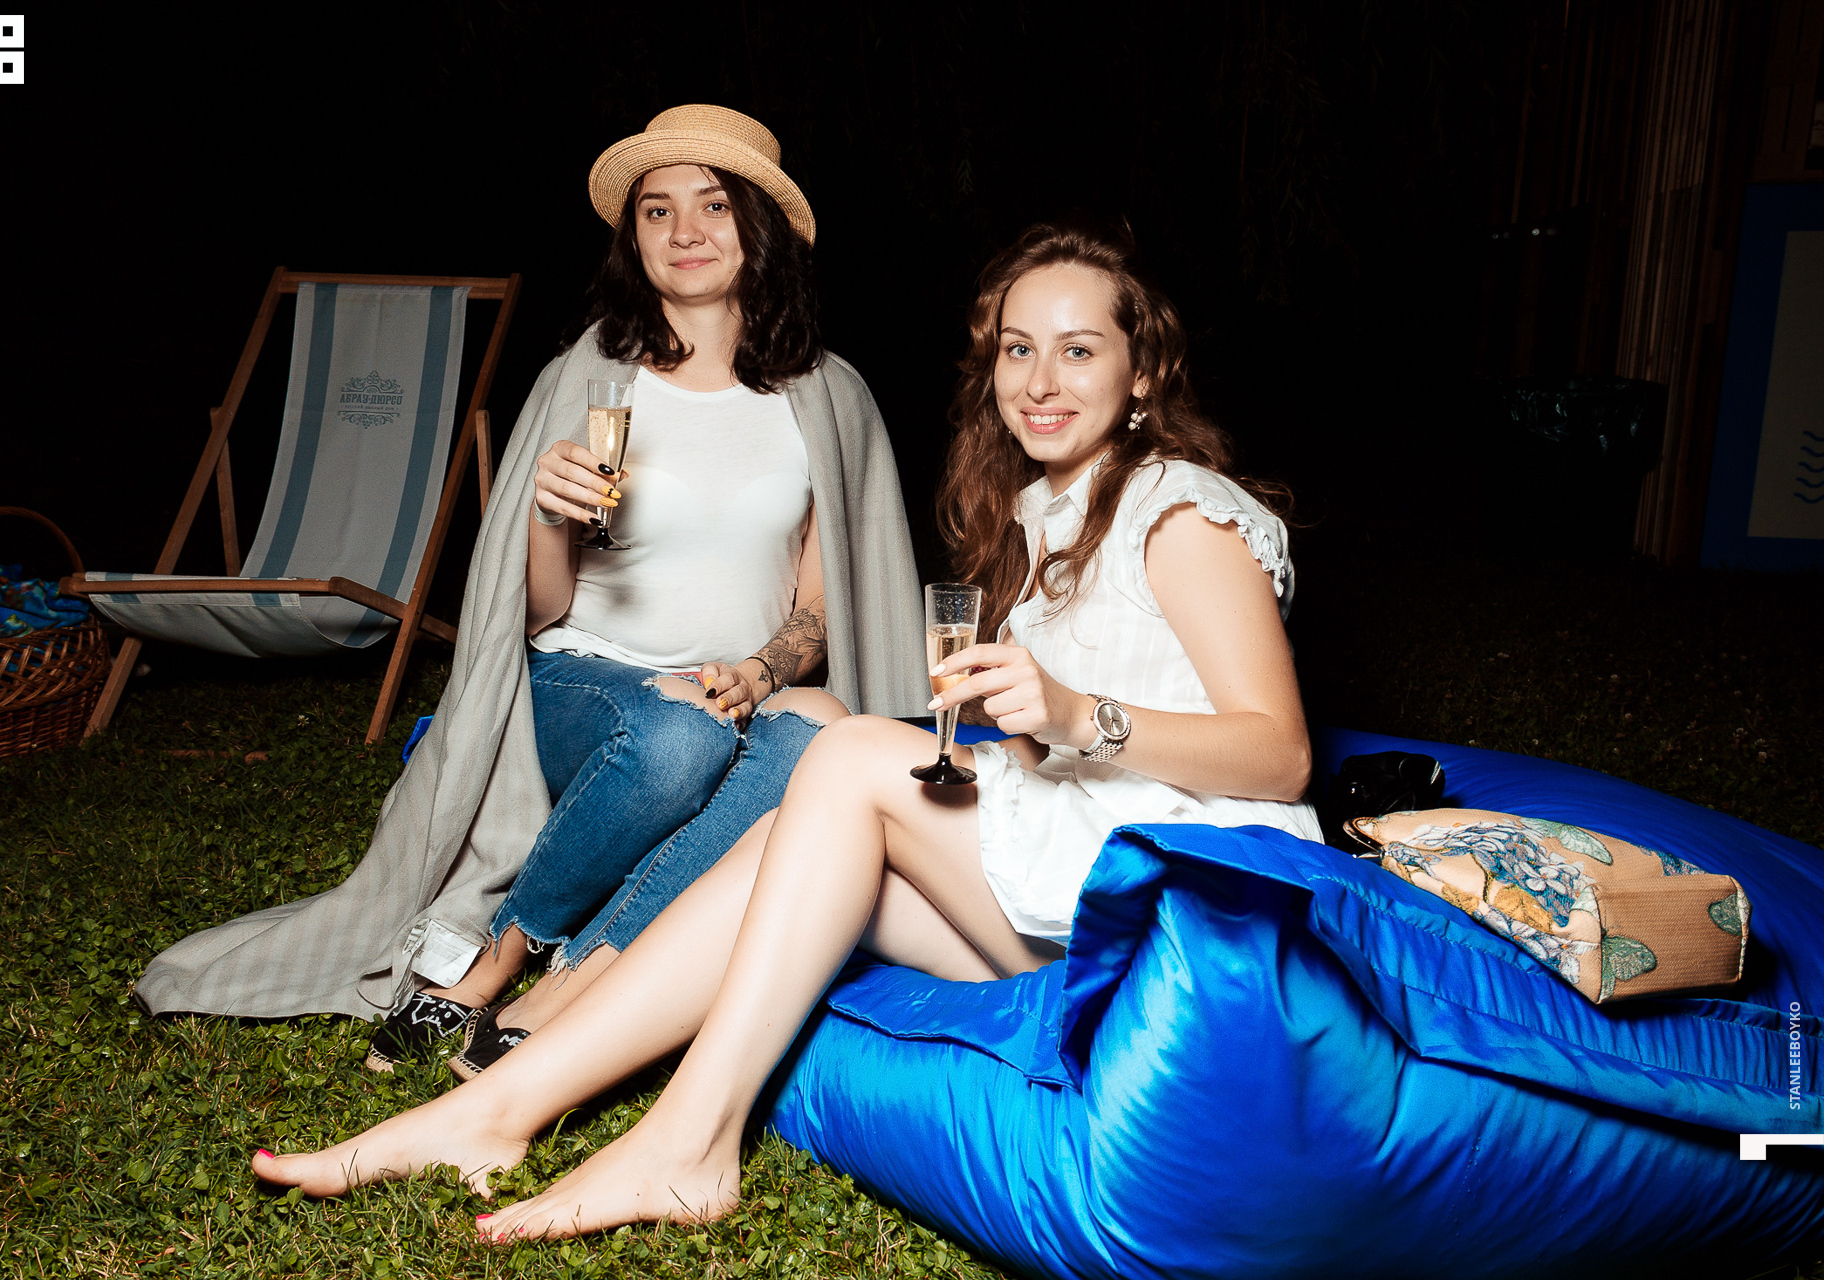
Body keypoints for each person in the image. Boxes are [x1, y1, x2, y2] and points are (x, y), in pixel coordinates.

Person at [251, 221, 1320, 1239]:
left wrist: (1076, 714)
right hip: (1076, 881)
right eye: (1018, 349)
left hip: (1179, 906)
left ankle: (690, 1141)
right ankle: (496, 1107)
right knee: (787, 831)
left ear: (1143, 373)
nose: (1041, 381)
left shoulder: (1182, 510)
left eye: (1078, 350)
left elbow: (1280, 753)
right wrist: (1025, 733)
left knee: (845, 748)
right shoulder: (1044, 518)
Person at [130, 106, 928, 1074]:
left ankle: (561, 995)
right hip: (586, 680)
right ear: (633, 238)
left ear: (761, 228)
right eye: (657, 211)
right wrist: (549, 513)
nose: (684, 231)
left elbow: (823, 605)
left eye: (714, 206)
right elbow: (538, 611)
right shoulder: (590, 379)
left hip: (736, 691)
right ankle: (486, 969)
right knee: (679, 734)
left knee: (819, 731)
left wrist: (762, 672)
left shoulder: (827, 396)